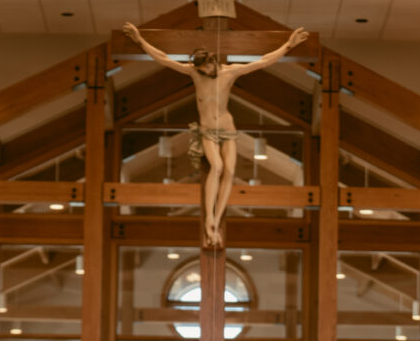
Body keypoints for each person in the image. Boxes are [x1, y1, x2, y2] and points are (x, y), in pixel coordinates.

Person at [122, 22, 309, 248]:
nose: (205, 73)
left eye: (206, 69)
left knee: (229, 171)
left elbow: (262, 61)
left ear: (212, 61)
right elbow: (164, 58)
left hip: (228, 129)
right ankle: (208, 218)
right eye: (201, 71)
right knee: (217, 167)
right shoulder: (194, 73)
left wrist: (288, 45)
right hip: (208, 129)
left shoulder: (230, 72)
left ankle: (216, 218)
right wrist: (140, 40)